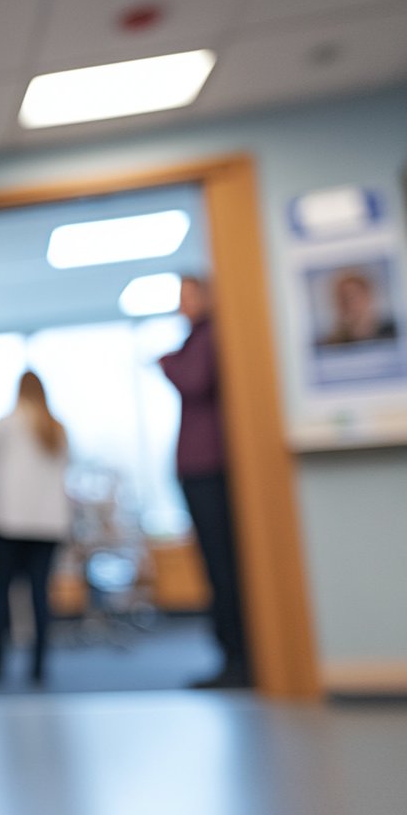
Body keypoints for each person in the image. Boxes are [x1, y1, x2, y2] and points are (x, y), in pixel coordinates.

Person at [159, 276, 250, 689]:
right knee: (216, 567)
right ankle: (231, 654)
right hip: (197, 469)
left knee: (224, 567)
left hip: (210, 468)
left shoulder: (211, 337)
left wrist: (166, 362)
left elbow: (194, 383)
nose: (181, 305)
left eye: (187, 296)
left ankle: (238, 659)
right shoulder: (195, 338)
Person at [0, 371, 71, 685]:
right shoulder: (56, 428)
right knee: (40, 594)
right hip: (48, 524)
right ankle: (39, 667)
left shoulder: (7, 425)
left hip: (8, 522)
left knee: (1, 592)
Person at [322, 267, 398, 346]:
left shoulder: (395, 332)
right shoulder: (331, 344)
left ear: (368, 296)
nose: (349, 304)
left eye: (354, 296)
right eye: (343, 297)